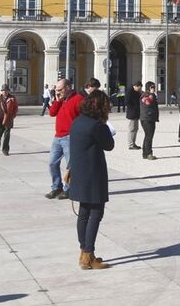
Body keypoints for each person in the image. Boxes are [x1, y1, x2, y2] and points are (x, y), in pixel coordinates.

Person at [69, 89, 114, 270]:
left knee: (84, 213)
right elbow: (109, 145)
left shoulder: (77, 122)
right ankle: (89, 255)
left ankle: (84, 252)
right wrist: (105, 126)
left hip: (79, 173)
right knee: (96, 213)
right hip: (94, 174)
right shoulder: (97, 125)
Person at [46, 78, 84, 200]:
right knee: (52, 163)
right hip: (58, 136)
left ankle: (69, 189)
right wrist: (57, 101)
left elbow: (84, 116)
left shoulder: (78, 99)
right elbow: (51, 113)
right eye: (56, 90)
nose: (58, 92)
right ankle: (56, 187)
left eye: (60, 89)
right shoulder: (61, 100)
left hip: (70, 137)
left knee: (70, 165)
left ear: (68, 87)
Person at [0, 84, 18, 156]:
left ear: (8, 91)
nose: (4, 92)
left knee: (6, 136)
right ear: (1, 91)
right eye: (3, 91)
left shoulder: (12, 98)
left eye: (6, 90)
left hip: (8, 119)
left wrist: (13, 116)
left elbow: (15, 108)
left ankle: (5, 150)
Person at [140, 82, 159, 160]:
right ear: (148, 88)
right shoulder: (146, 95)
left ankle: (145, 153)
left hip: (149, 118)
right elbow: (147, 102)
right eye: (152, 87)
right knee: (149, 136)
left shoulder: (149, 95)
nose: (154, 89)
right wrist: (151, 95)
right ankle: (148, 153)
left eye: (154, 87)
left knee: (147, 136)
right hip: (147, 118)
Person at [125, 81, 142, 151]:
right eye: (139, 88)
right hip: (132, 113)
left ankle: (133, 143)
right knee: (132, 129)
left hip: (136, 113)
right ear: (136, 86)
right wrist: (134, 108)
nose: (139, 89)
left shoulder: (136, 92)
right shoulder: (130, 92)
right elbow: (127, 102)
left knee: (135, 129)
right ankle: (131, 144)